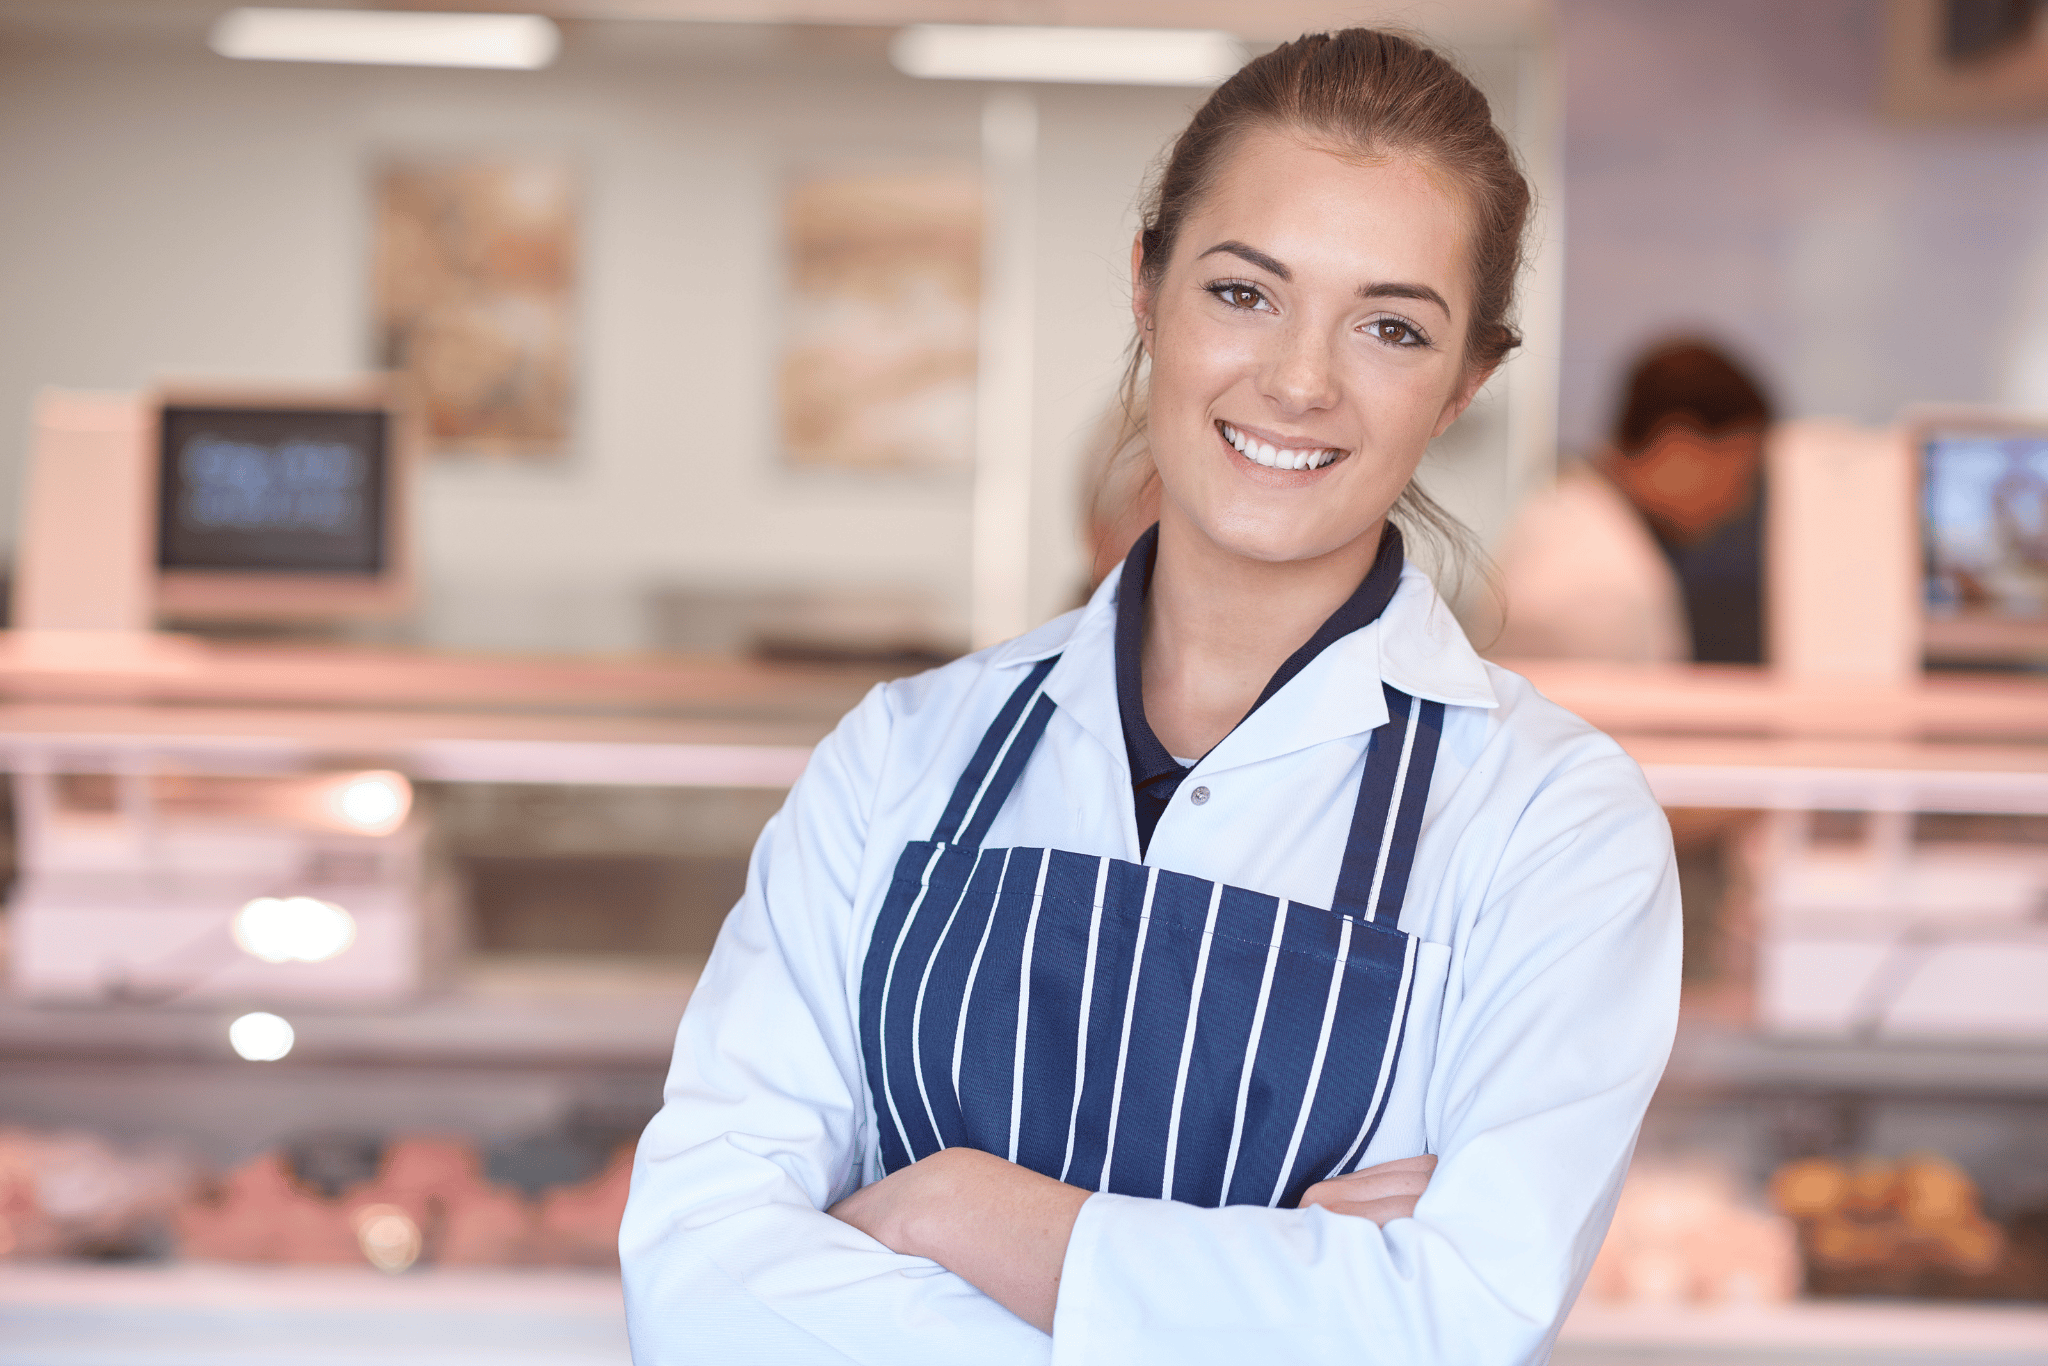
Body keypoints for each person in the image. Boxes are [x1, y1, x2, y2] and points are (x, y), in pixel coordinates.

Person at [622, 29, 1680, 1365]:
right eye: (1246, 293)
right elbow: (696, 1278)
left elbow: (1452, 1320)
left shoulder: (1553, 825)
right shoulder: (901, 756)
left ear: (1465, 381)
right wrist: (1280, 1289)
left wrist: (943, 1209)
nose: (1301, 379)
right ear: (1147, 288)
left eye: (1392, 326)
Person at [1489, 339, 1775, 664]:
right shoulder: (1602, 591)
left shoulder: (1564, 516)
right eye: (1741, 472)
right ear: (1678, 447)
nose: (1738, 501)